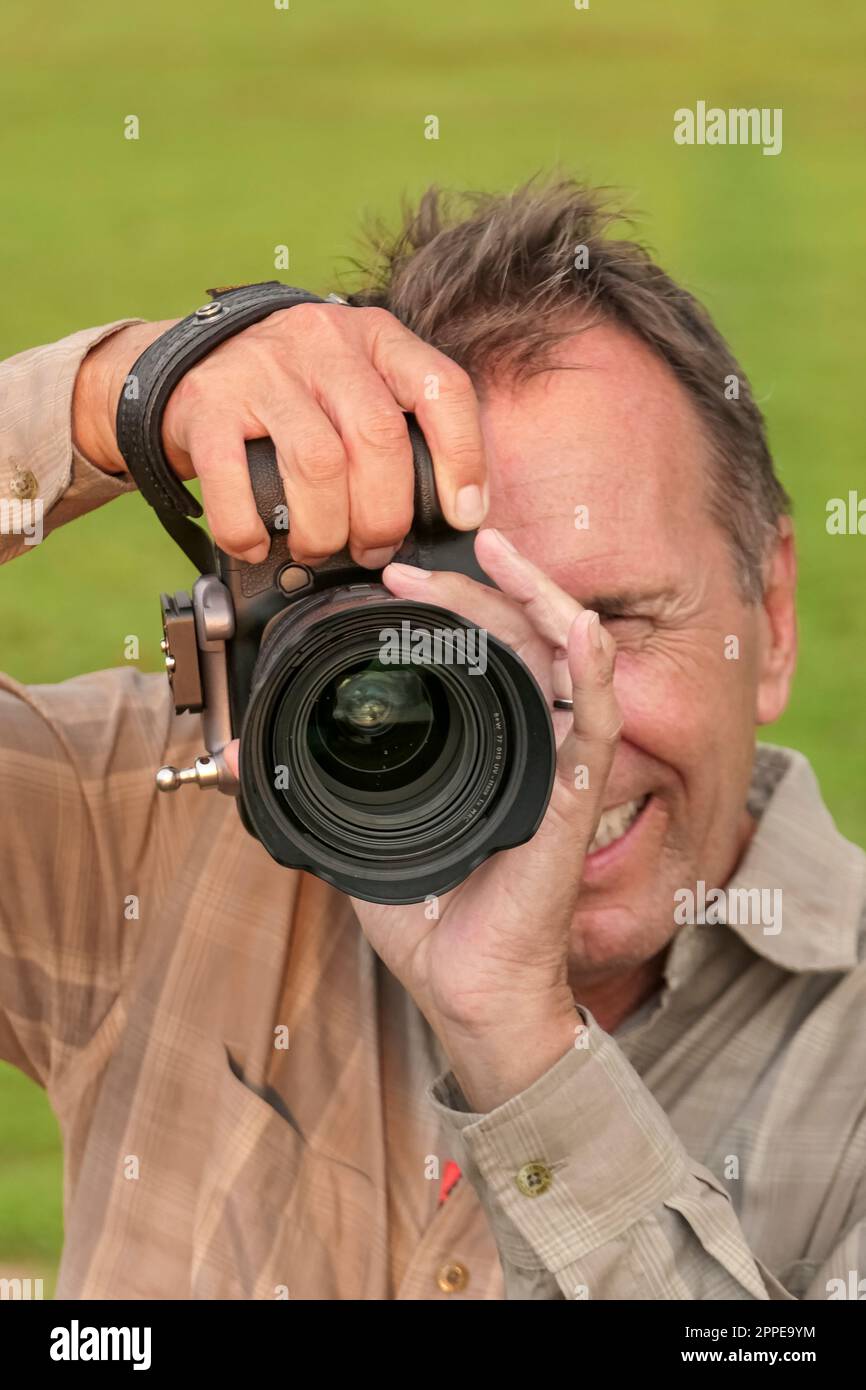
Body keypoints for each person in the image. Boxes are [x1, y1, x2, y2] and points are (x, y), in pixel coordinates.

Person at [1, 179, 863, 1301]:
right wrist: (104, 400)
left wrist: (519, 1042)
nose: (565, 743)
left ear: (773, 611)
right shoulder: (146, 830)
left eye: (610, 623)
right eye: (453, 644)